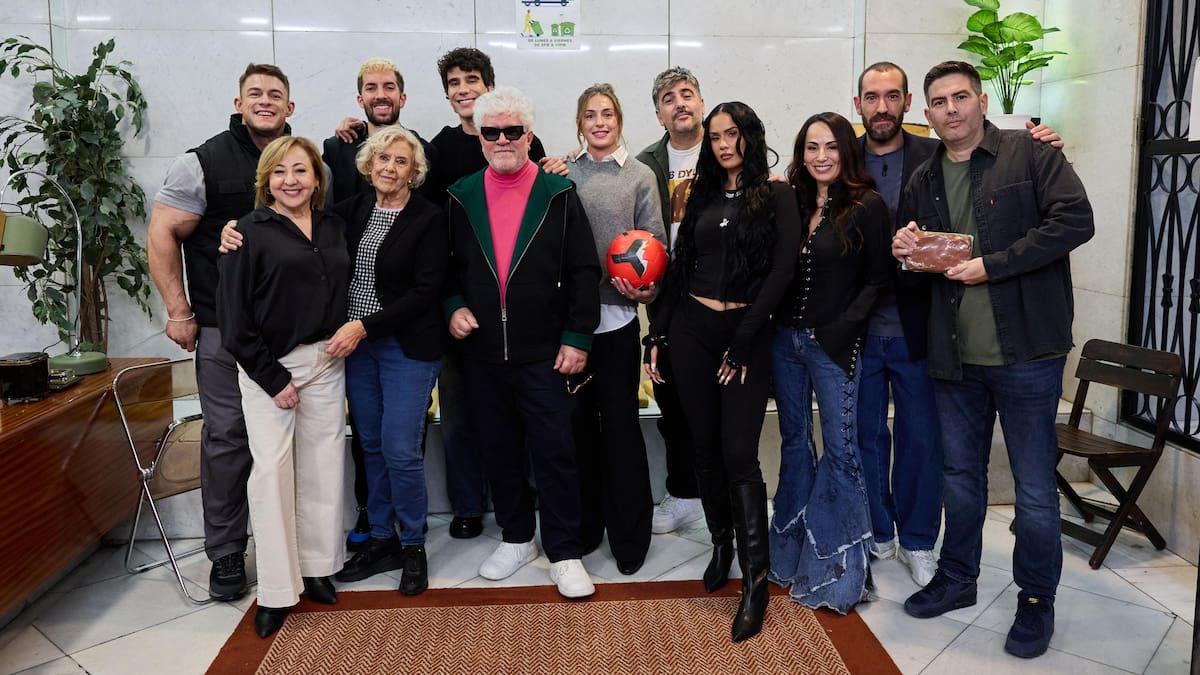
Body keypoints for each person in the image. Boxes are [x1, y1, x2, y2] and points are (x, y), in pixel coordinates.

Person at [893, 61, 1094, 659]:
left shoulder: (1031, 154)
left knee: (1033, 489)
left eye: (960, 97)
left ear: (982, 102)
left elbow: (1075, 221)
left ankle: (1035, 600)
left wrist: (994, 265)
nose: (951, 109)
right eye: (939, 102)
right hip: (956, 358)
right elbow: (922, 264)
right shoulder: (924, 177)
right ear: (926, 113)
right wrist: (906, 250)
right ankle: (958, 578)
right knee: (959, 479)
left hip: (1027, 352)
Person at [852, 61, 1065, 587]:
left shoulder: (991, 154)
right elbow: (920, 247)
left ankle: (939, 550)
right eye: (871, 97)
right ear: (857, 105)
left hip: (968, 338)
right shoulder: (854, 158)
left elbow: (1070, 219)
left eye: (892, 96)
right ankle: (904, 548)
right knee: (903, 454)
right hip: (898, 336)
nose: (882, 106)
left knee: (949, 455)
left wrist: (990, 263)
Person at [645, 102, 802, 642]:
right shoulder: (702, 193)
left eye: (733, 134)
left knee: (739, 454)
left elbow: (783, 270)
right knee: (704, 448)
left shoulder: (777, 194)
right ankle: (721, 544)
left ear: (750, 136)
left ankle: (756, 582)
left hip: (747, 336)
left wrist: (743, 338)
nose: (724, 144)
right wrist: (657, 333)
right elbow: (681, 265)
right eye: (715, 137)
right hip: (692, 330)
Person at [445, 86, 601, 599]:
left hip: (546, 351)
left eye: (514, 131)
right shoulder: (460, 194)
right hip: (483, 352)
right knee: (500, 449)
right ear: (480, 137)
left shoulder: (558, 192)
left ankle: (565, 551)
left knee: (555, 452)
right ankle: (516, 538)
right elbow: (446, 270)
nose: (503, 140)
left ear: (529, 136)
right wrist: (454, 307)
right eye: (492, 132)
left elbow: (583, 271)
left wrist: (577, 337)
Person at [146, 63, 294, 602]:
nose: (264, 101)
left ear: (290, 107)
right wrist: (178, 310)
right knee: (228, 438)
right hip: (221, 331)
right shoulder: (201, 162)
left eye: (275, 94)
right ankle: (227, 553)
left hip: (291, 335)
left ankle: (292, 550)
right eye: (255, 93)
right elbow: (163, 231)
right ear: (239, 103)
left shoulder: (302, 160)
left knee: (289, 443)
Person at [216, 136, 350, 638]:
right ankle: (276, 590)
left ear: (317, 178)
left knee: (322, 467)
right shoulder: (245, 233)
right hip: (268, 366)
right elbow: (233, 321)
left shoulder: (335, 225)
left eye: (300, 170)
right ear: (266, 181)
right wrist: (272, 378)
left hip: (326, 361)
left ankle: (316, 568)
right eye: (279, 172)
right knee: (271, 473)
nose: (290, 180)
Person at [767, 112, 891, 614]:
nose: (821, 157)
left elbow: (879, 279)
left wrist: (840, 330)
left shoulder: (867, 206)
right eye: (812, 147)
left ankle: (839, 574)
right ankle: (791, 558)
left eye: (831, 147)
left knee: (841, 450)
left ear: (847, 151)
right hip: (784, 343)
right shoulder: (792, 202)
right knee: (795, 442)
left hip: (833, 346)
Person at [427, 47, 551, 540]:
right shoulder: (438, 150)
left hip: (521, 319)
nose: (463, 89)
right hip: (464, 313)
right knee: (460, 416)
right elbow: (436, 234)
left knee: (524, 414)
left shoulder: (522, 139)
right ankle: (467, 505)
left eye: (472, 80)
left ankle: (526, 502)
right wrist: (452, 303)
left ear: (489, 86)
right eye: (454, 83)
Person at [322, 57, 436, 553]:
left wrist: (363, 326)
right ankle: (382, 537)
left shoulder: (429, 219)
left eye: (401, 162)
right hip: (358, 351)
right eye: (382, 159)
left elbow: (425, 292)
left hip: (404, 347)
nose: (390, 167)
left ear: (415, 171)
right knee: (369, 445)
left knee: (400, 449)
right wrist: (233, 231)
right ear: (368, 165)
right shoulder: (348, 213)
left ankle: (412, 544)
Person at [565, 83, 665, 575]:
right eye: (591, 115)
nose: (600, 122)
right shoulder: (565, 173)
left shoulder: (640, 176)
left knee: (621, 429)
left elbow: (656, 244)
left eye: (607, 113)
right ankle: (586, 529)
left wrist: (646, 291)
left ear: (620, 121)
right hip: (573, 326)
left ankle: (630, 537)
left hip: (620, 321)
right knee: (579, 429)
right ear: (580, 124)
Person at [634, 66, 706, 535]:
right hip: (668, 300)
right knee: (673, 400)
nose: (679, 102)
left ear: (701, 102)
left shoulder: (727, 148)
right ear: (659, 114)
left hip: (723, 298)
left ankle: (724, 492)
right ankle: (683, 494)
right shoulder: (645, 163)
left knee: (721, 404)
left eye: (686, 93)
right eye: (668, 98)